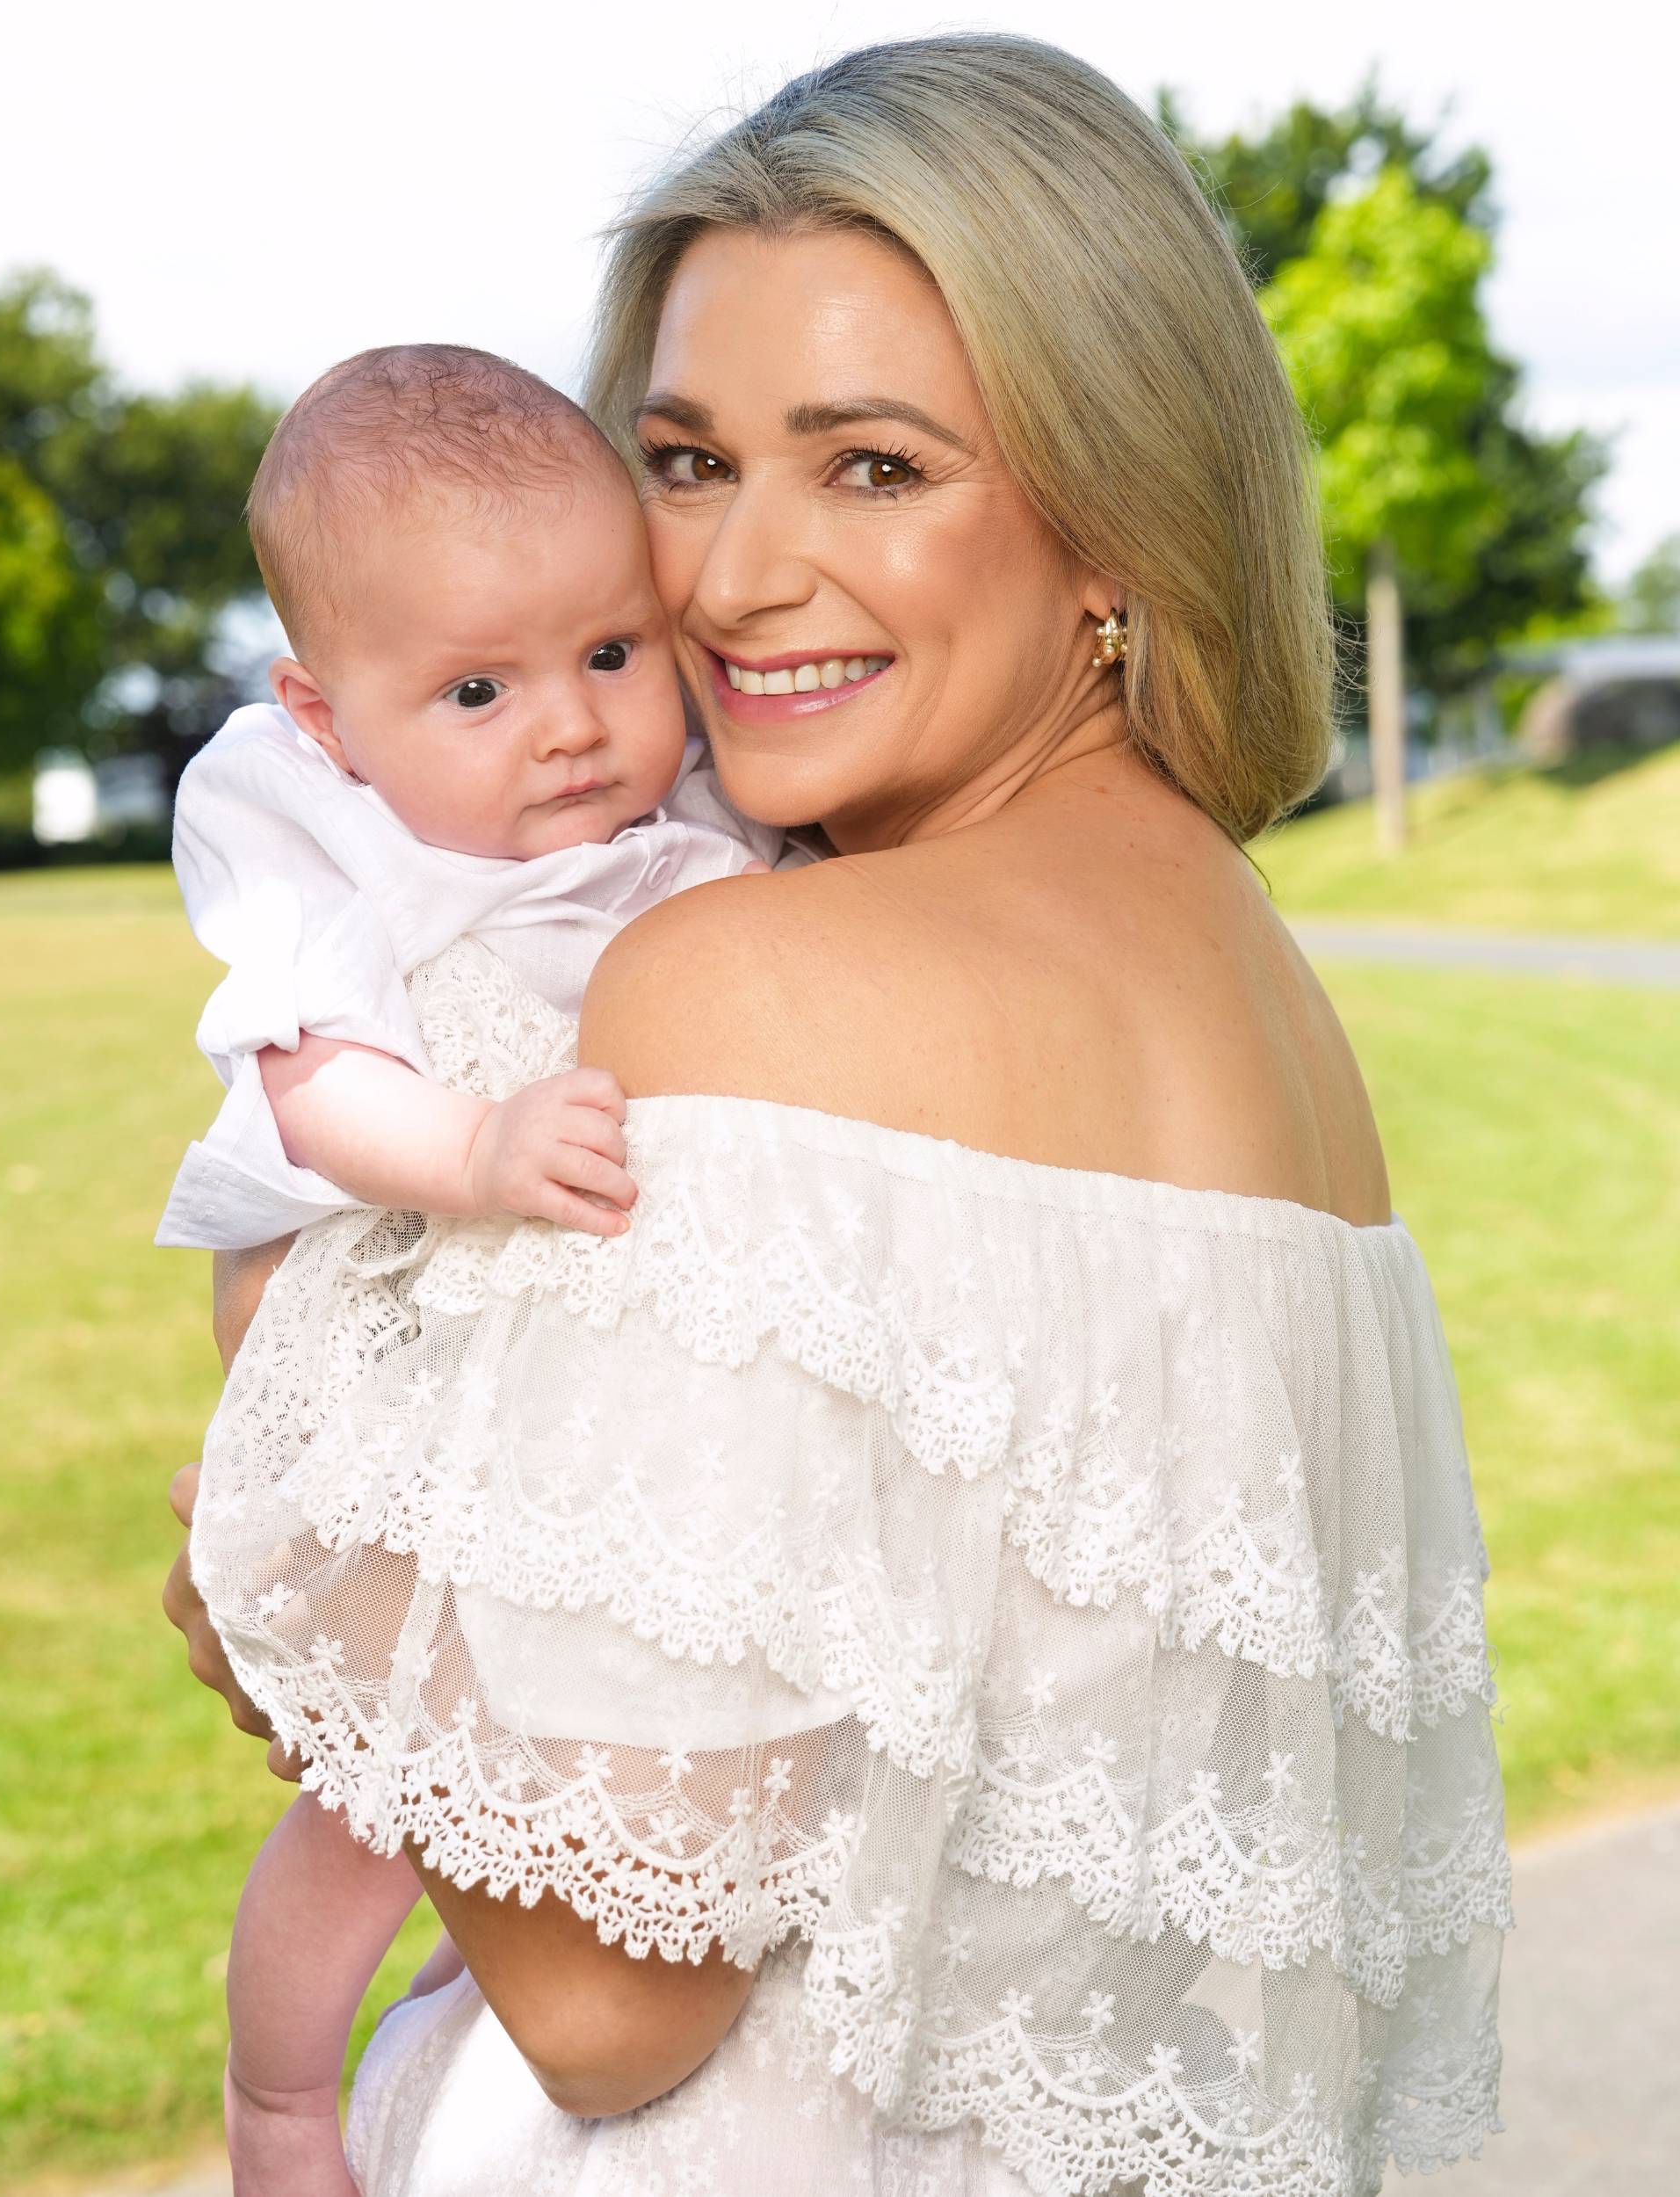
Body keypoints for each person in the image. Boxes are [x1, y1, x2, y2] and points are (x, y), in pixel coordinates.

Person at [166, 34, 1511, 2196]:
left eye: (874, 467)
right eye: (688, 462)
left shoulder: (754, 984)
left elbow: (615, 1997)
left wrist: (305, 1542)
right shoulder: (1264, 995)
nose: (726, 580)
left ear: (1117, 521)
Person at [158, 344, 786, 2194]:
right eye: (478, 690)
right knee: (378, 1805)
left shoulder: (693, 825)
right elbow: (308, 1082)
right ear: (328, 716)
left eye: (611, 652)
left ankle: (469, 1984)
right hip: (411, 1375)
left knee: (555, 1787)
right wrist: (476, 1152)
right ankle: (282, 2099)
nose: (570, 725)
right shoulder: (336, 845)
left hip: (586, 1426)